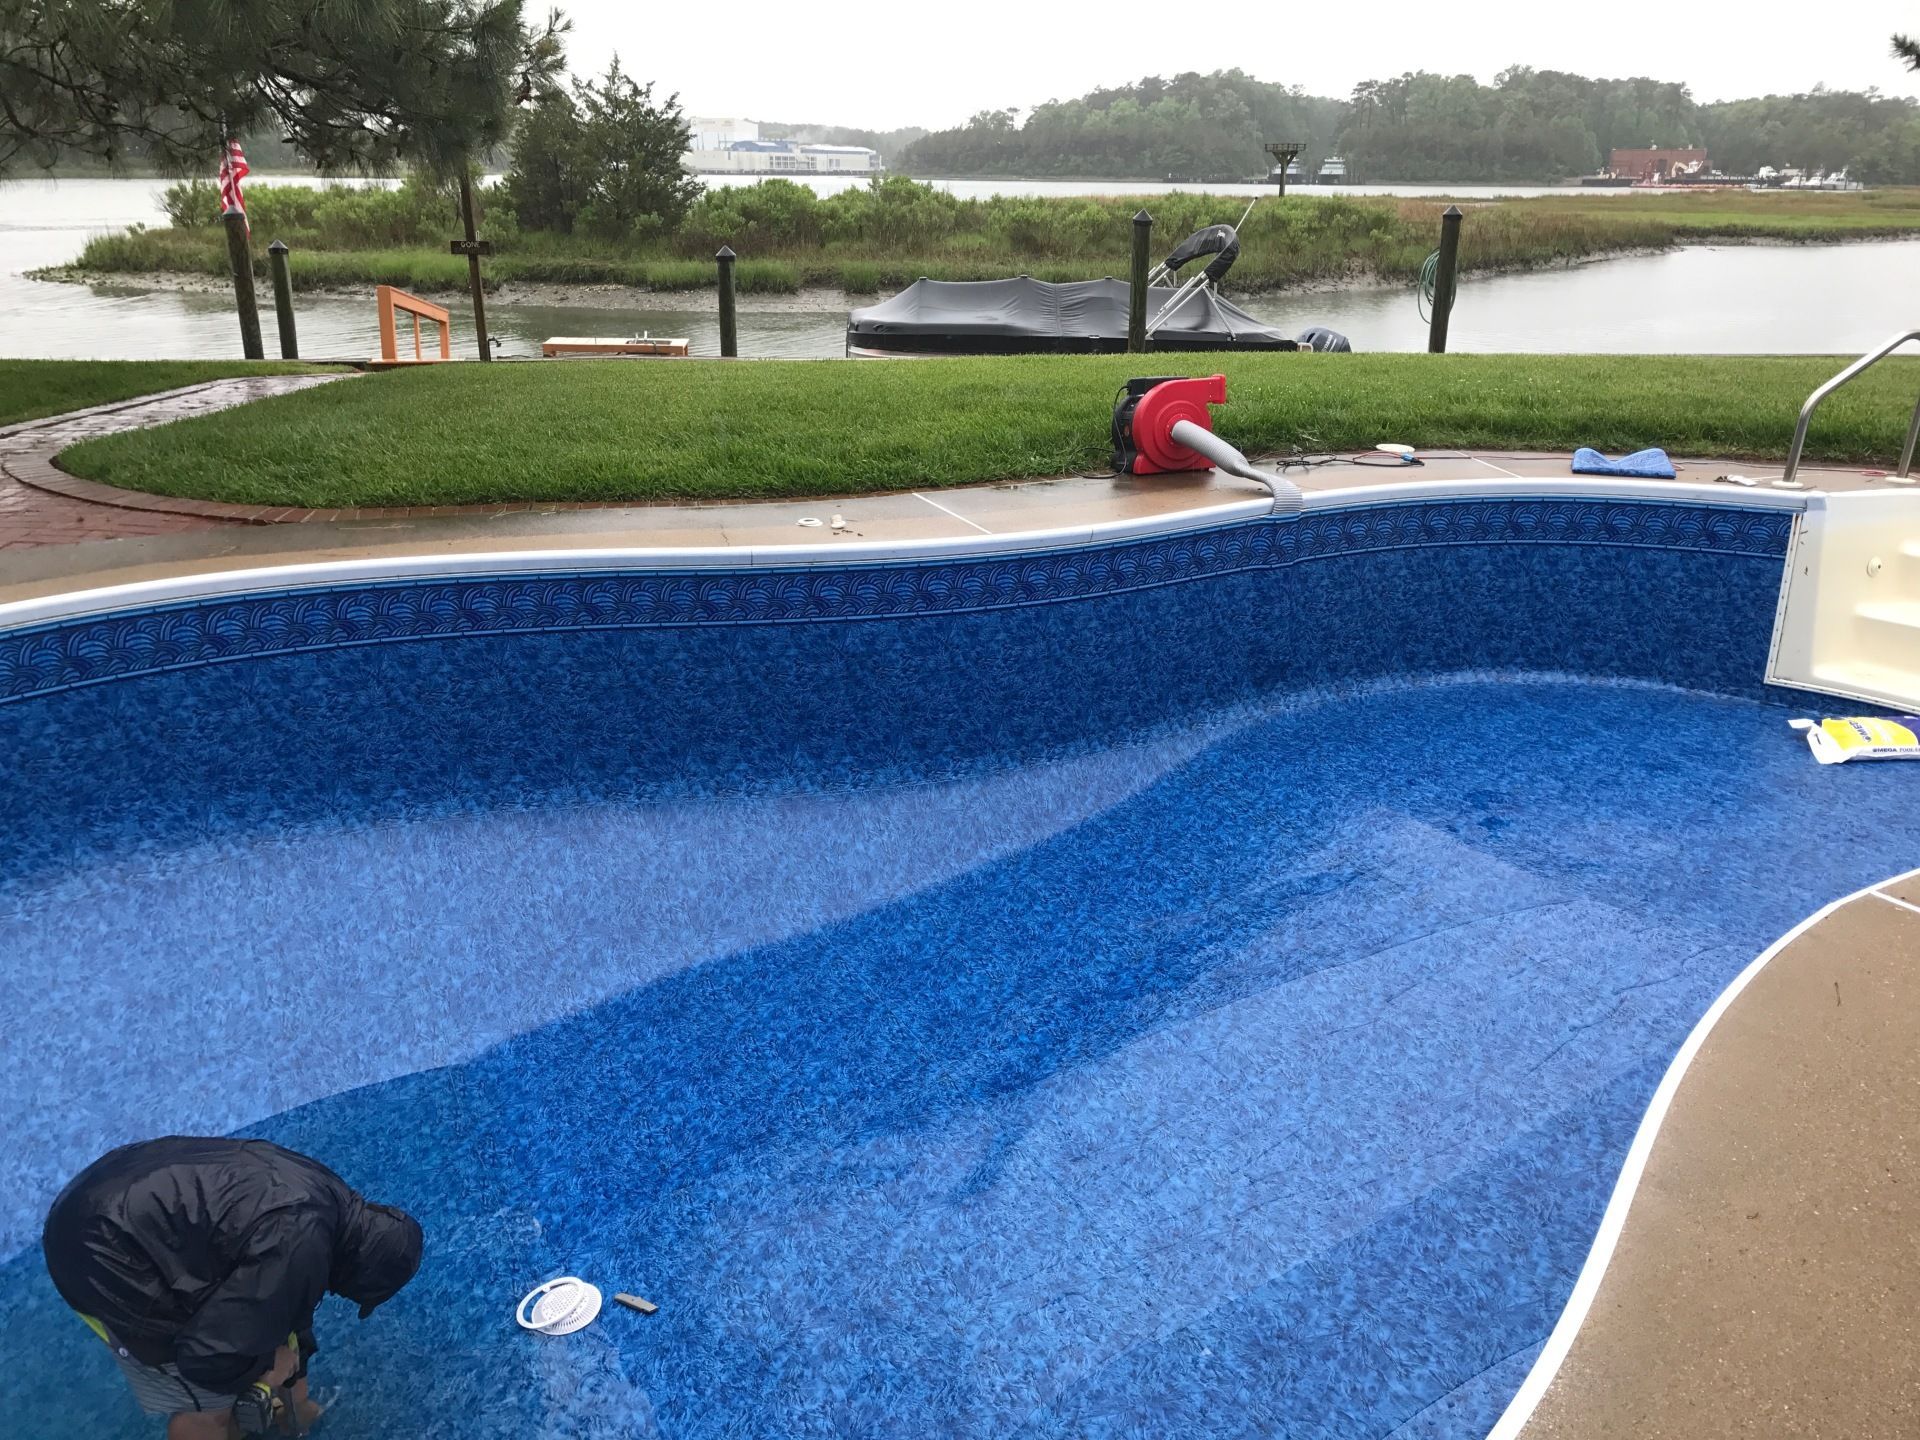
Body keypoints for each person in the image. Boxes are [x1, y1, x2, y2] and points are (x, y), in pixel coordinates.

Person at [43, 1136, 423, 1438]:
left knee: (258, 1350)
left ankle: (284, 1415)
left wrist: (295, 1390)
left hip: (107, 1189)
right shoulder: (299, 1242)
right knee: (210, 1404)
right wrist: (270, 1374)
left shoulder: (330, 1202)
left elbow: (286, 1301)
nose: (340, 1294)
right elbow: (204, 1359)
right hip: (98, 1251)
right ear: (360, 1273)